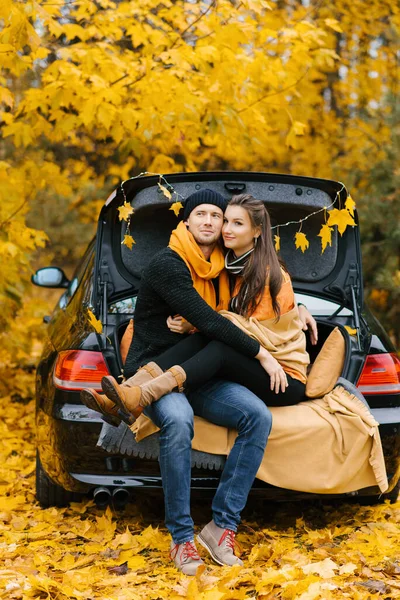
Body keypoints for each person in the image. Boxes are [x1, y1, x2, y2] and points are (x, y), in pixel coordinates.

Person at [81, 189, 317, 575]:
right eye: (201, 214)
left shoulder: (225, 266)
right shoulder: (168, 264)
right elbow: (211, 322)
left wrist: (298, 307)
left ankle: (221, 527)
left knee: (257, 415)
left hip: (204, 371)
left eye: (217, 216)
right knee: (177, 419)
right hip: (155, 368)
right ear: (186, 222)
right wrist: (261, 354)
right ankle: (181, 538)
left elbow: (258, 294)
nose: (210, 222)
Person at [101, 194, 311, 423]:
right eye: (227, 221)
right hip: (256, 361)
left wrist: (299, 309)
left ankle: (140, 397)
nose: (227, 229)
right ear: (187, 221)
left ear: (257, 231)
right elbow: (223, 323)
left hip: (281, 373)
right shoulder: (228, 268)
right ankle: (124, 394)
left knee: (217, 342)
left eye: (236, 223)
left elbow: (257, 332)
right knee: (209, 337)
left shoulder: (270, 275)